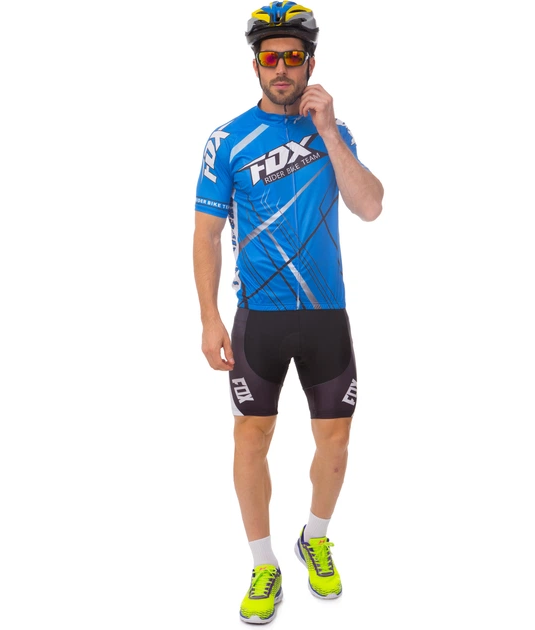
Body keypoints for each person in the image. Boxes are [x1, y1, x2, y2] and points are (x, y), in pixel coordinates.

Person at [193, 1, 384, 624]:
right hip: (260, 318)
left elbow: (371, 206)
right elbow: (205, 234)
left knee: (336, 441)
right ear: (255, 66)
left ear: (310, 64)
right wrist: (209, 319)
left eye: (293, 56)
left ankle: (315, 538)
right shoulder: (226, 140)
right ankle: (263, 564)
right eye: (270, 57)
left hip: (327, 313)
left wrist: (328, 133)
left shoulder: (336, 133)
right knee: (252, 437)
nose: (281, 68)